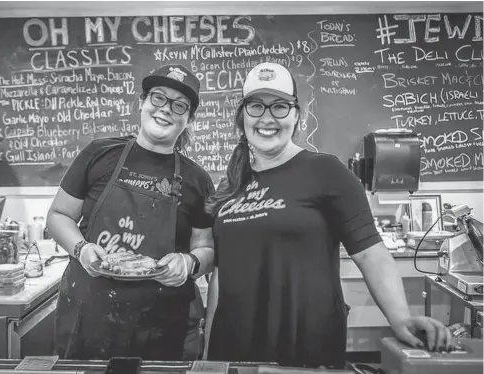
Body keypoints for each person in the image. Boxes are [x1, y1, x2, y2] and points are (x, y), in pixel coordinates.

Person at [203, 62, 453, 369]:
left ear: (297, 115)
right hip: (235, 345)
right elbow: (220, 275)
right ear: (242, 116)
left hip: (304, 344)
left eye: (280, 106)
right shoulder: (230, 183)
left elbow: (370, 253)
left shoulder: (326, 170)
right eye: (256, 106)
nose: (267, 118)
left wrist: (400, 318)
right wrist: (207, 353)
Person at [47, 64, 215, 361]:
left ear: (188, 119)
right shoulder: (99, 153)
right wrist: (81, 248)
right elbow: (59, 216)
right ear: (142, 102)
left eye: (179, 105)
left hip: (162, 324)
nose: (166, 109)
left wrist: (188, 263)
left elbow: (205, 247)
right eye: (158, 98)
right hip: (90, 315)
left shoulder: (197, 179)